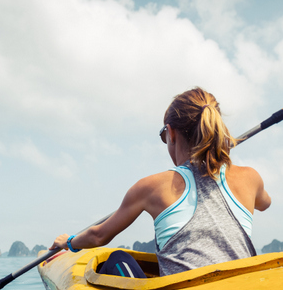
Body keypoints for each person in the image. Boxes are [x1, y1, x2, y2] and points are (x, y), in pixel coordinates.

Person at [50, 87, 271, 277]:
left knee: (117, 258)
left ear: (171, 133)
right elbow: (264, 203)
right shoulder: (250, 178)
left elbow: (99, 236)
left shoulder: (151, 187)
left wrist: (68, 242)